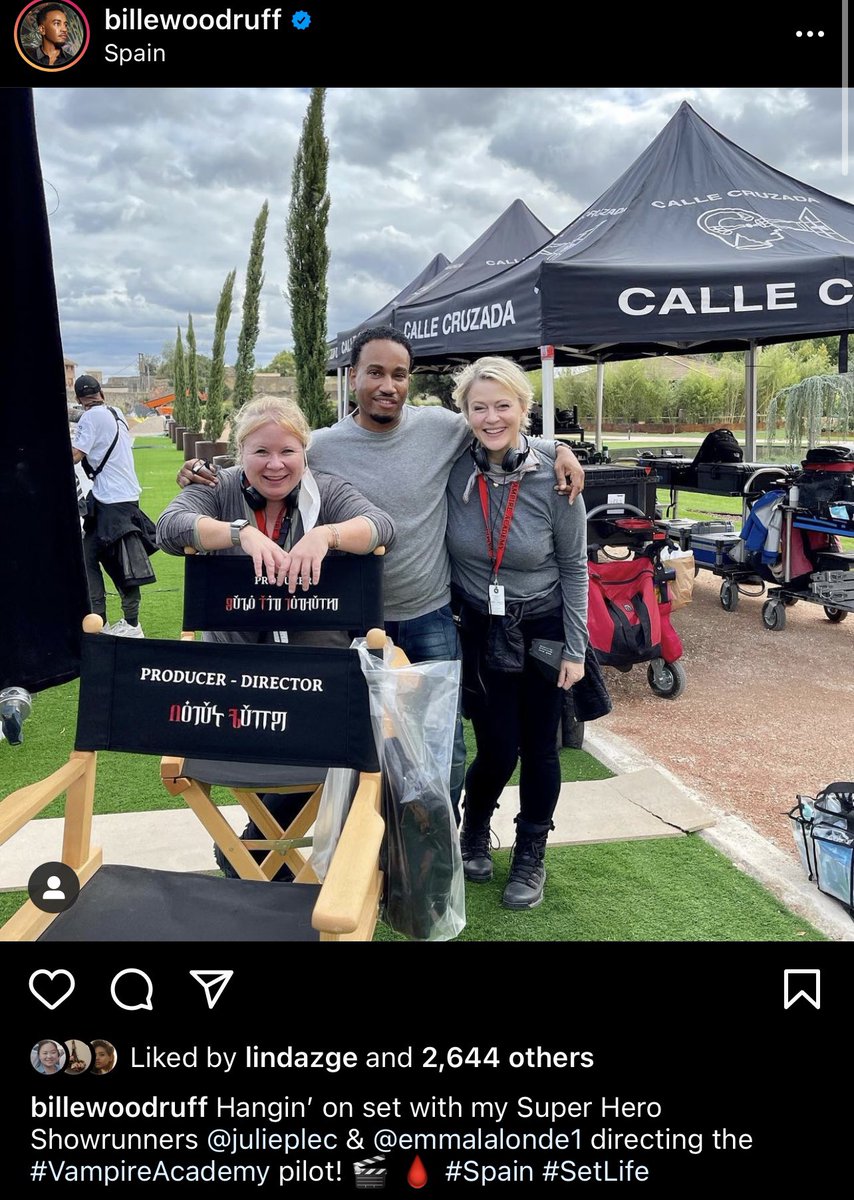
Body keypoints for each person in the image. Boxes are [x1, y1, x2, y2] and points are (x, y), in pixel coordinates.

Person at [176, 326, 585, 821]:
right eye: (375, 372)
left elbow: (500, 425)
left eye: (398, 374)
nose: (387, 384)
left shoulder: (440, 427)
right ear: (353, 378)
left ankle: (431, 861)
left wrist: (558, 448)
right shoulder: (322, 446)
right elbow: (266, 457)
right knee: (352, 748)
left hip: (429, 617)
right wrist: (208, 475)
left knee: (439, 750)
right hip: (348, 622)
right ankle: (327, 849)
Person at [157, 395, 396, 877]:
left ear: (304, 452)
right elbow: (169, 527)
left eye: (287, 451)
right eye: (261, 452)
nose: (275, 464)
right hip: (237, 680)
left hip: (315, 679)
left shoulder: (325, 490)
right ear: (240, 452)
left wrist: (325, 536)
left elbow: (381, 526)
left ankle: (252, 850)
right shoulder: (217, 486)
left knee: (324, 754)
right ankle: (263, 852)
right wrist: (238, 532)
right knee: (268, 758)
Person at [447, 356, 588, 910]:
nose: (490, 417)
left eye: (503, 405)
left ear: (525, 409)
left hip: (544, 625)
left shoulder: (555, 476)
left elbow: (576, 567)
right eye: (478, 407)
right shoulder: (454, 465)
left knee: (540, 748)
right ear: (463, 413)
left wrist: (576, 648)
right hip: (481, 626)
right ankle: (475, 830)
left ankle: (532, 854)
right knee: (498, 745)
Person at [71, 375, 151, 638]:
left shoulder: (90, 418)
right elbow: (87, 420)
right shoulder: (114, 412)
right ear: (101, 393)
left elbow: (75, 455)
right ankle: (100, 621)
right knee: (89, 556)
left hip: (112, 501)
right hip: (117, 499)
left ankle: (131, 624)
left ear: (80, 398)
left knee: (122, 565)